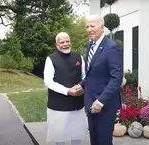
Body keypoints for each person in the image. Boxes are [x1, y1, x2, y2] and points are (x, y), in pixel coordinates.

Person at [78, 15, 123, 145]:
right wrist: (81, 85)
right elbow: (92, 74)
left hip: (105, 105)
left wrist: (101, 101)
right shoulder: (89, 45)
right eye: (87, 26)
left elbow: (116, 79)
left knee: (103, 141)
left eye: (92, 26)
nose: (89, 29)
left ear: (102, 28)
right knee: (94, 141)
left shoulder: (111, 47)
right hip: (90, 102)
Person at [43, 32, 87, 145]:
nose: (65, 44)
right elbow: (48, 81)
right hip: (58, 105)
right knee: (60, 137)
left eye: (67, 41)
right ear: (57, 45)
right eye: (62, 42)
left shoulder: (79, 57)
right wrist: (67, 91)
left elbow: (85, 76)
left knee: (76, 136)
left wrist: (82, 87)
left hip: (77, 104)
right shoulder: (51, 59)